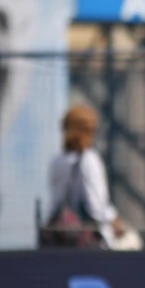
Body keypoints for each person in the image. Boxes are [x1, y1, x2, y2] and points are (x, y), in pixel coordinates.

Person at [46, 104, 127, 249]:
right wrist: (113, 219)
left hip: (60, 239)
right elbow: (96, 205)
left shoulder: (56, 161)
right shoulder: (90, 159)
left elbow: (56, 201)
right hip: (88, 240)